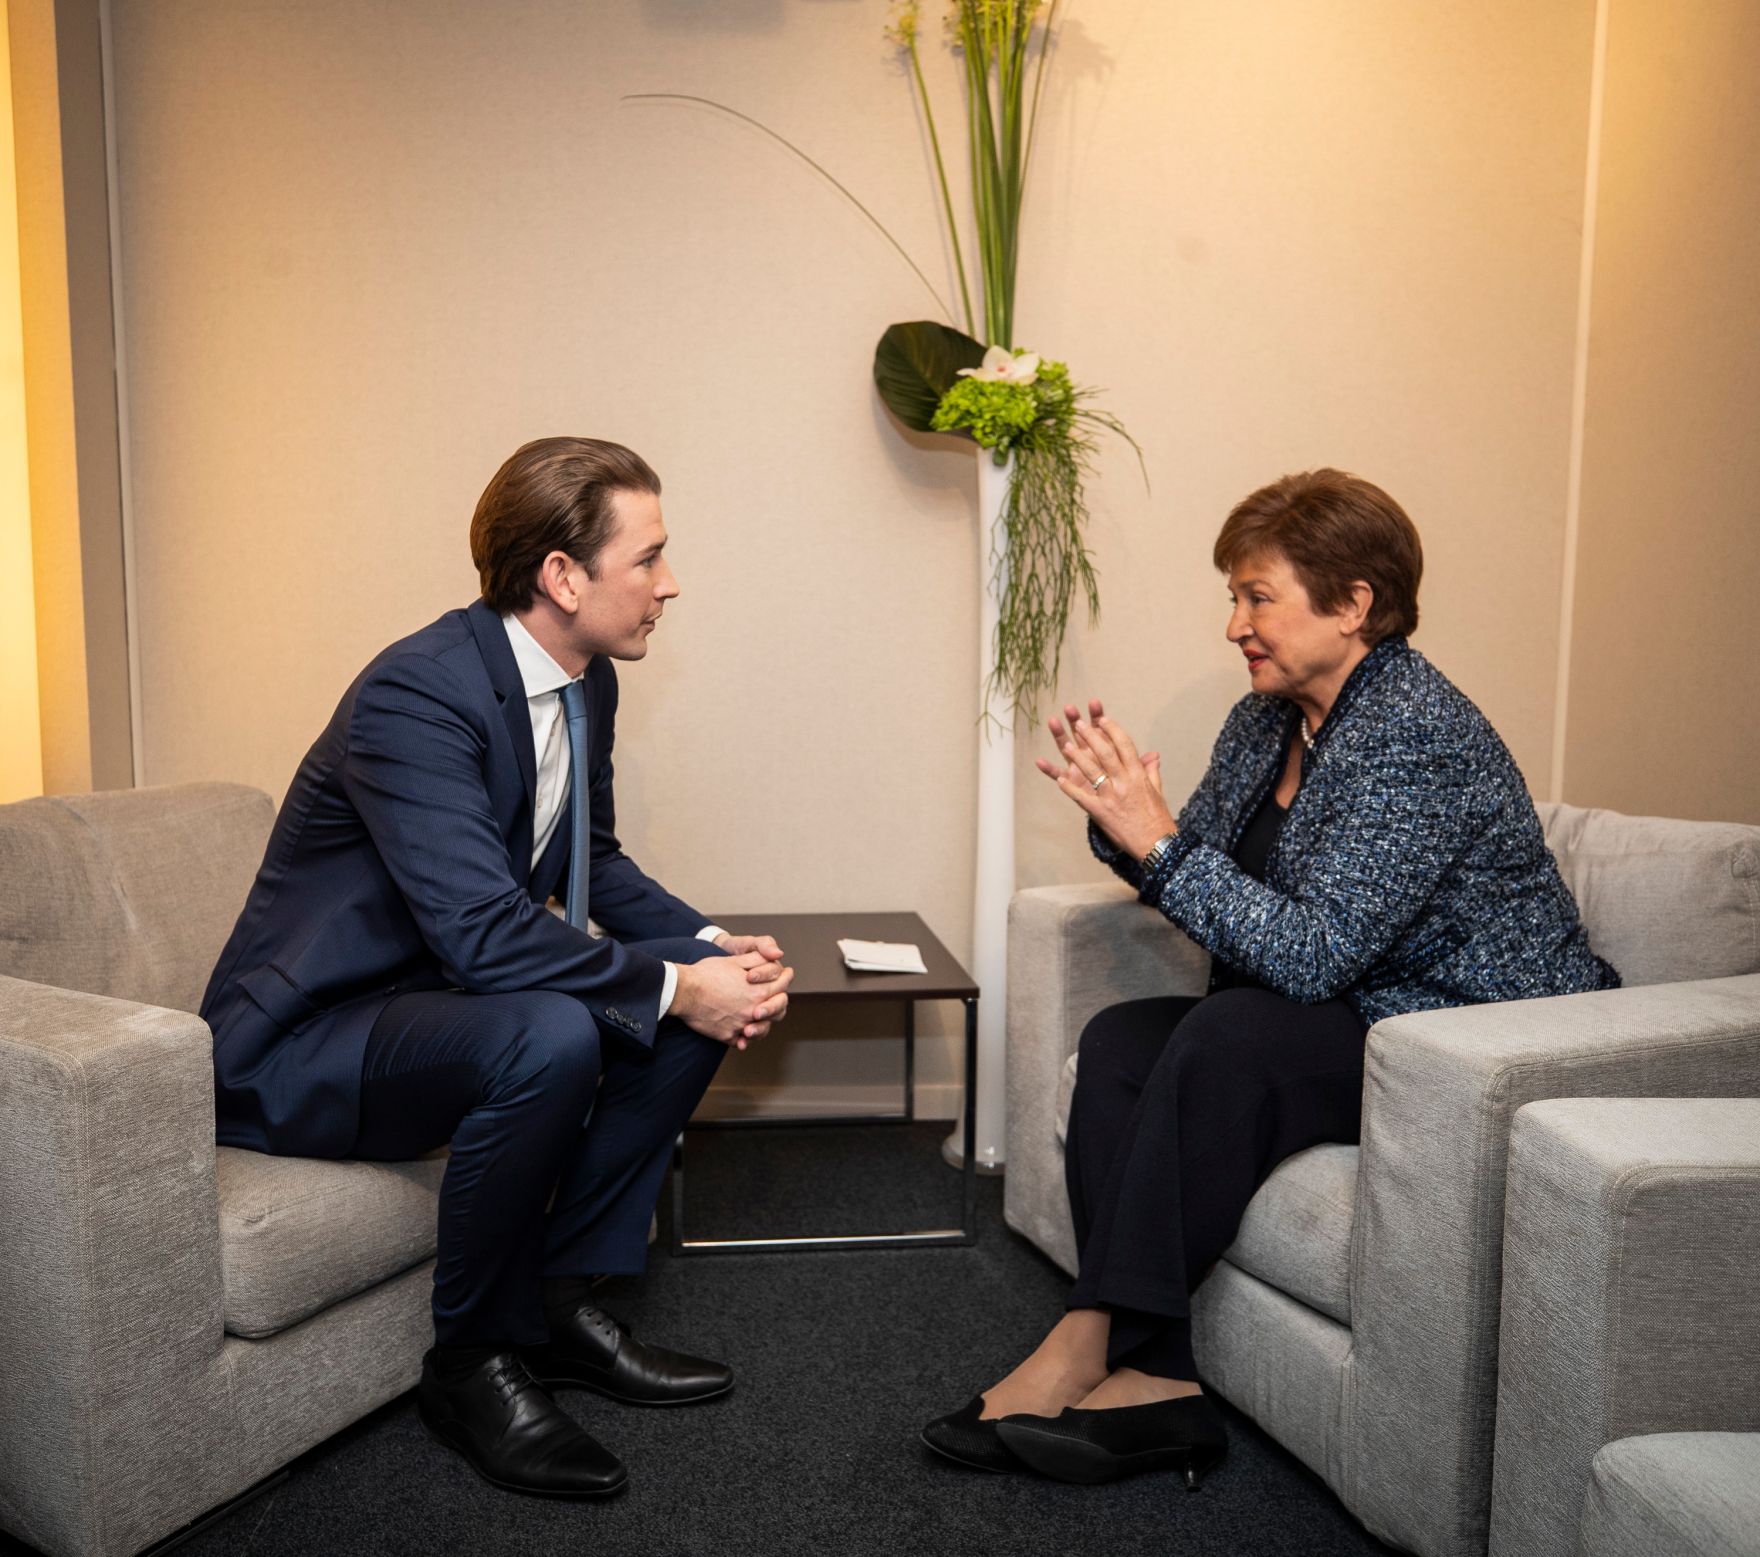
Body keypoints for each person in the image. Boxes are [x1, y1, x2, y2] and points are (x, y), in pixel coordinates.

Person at [921, 468, 1619, 1486]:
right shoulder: (1267, 720)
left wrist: (1162, 844)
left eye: (1257, 596)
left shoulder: (1415, 733)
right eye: (1232, 596)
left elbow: (1308, 953)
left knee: (1227, 1034)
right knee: (1121, 1042)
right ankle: (1160, 1379)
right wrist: (1126, 824)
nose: (1233, 626)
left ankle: (1084, 1338)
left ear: (1352, 604)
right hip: (1357, 1010)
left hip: (1462, 1037)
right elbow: (1192, 865)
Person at [202, 436, 793, 1500]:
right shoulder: (415, 694)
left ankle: (558, 1302)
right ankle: (469, 1363)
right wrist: (672, 984)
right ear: (563, 576)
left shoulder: (586, 681)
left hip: (432, 1007)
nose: (669, 583)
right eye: (648, 557)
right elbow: (481, 929)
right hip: (303, 1044)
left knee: (695, 993)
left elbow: (592, 861)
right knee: (562, 1027)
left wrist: (711, 950)